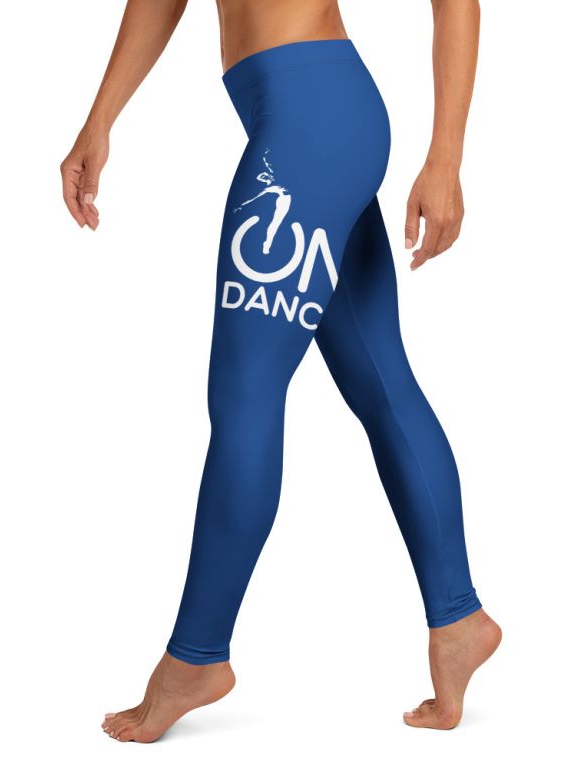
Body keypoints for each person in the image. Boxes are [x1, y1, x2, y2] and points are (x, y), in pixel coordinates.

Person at [60, 0, 501, 743]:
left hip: (310, 120)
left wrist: (447, 157)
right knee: (379, 380)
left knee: (246, 394)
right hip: (304, 118)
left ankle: (196, 656)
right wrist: (100, 119)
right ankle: (459, 620)